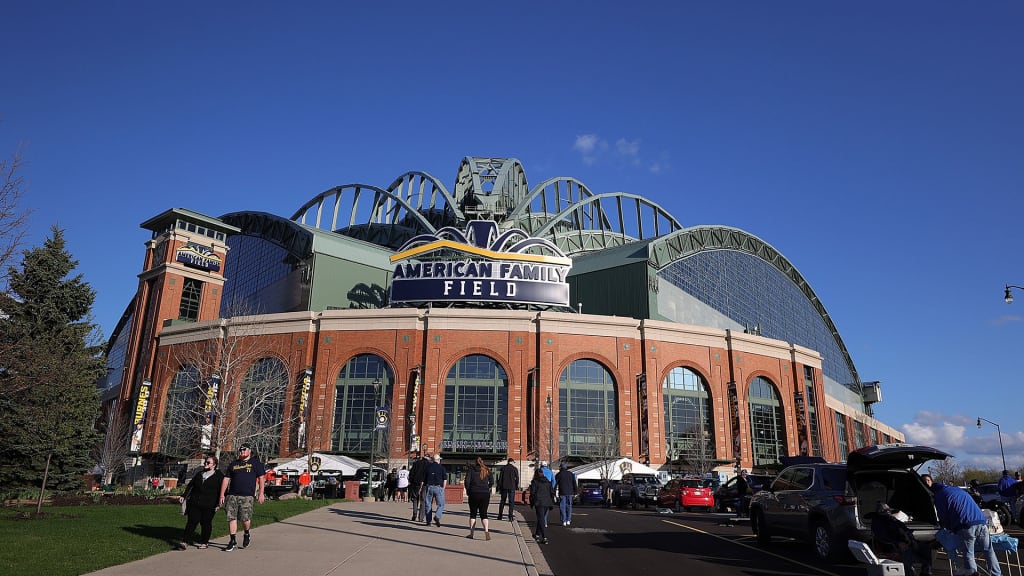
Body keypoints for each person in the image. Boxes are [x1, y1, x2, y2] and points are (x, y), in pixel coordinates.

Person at [931, 481, 1002, 576]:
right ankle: (996, 574)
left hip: (965, 525)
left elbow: (943, 515)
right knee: (988, 550)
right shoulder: (957, 489)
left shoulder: (939, 495)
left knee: (969, 553)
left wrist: (947, 527)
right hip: (981, 521)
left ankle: (972, 573)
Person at [219, 444, 266, 552]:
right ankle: (232, 541)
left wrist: (261, 493)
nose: (242, 451)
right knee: (231, 517)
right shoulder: (233, 464)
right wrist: (222, 495)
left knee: (245, 519)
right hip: (232, 495)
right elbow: (226, 479)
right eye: (240, 450)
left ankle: (246, 533)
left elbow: (261, 478)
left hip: (247, 496)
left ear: (249, 451)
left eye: (244, 449)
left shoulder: (256, 463)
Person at [870, 502, 933, 576]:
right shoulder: (879, 522)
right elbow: (883, 536)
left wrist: (911, 539)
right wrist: (897, 543)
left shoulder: (890, 519)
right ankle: (909, 572)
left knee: (926, 548)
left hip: (904, 541)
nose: (889, 512)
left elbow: (904, 528)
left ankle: (926, 572)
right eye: (886, 510)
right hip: (893, 546)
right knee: (908, 552)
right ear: (881, 512)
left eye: (889, 510)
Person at [177, 455, 224, 550]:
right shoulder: (200, 474)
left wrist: (219, 502)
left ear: (214, 465)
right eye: (205, 462)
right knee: (191, 522)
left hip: (210, 504)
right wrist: (184, 495)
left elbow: (223, 490)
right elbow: (191, 485)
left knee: (205, 523)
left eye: (208, 463)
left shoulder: (219, 476)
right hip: (195, 502)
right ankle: (185, 541)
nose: (205, 464)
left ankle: (204, 542)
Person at [464, 456, 494, 540]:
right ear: (482, 462)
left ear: (475, 462)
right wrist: (487, 487)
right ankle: (486, 531)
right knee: (484, 514)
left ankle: (471, 533)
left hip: (474, 492)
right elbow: (492, 481)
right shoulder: (486, 469)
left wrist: (468, 490)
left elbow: (467, 481)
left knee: (473, 514)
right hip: (485, 493)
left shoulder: (471, 469)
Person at [528, 467, 556, 544]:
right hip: (547, 502)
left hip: (539, 502)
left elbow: (532, 493)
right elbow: (552, 492)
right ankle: (537, 534)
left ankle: (544, 537)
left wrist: (532, 502)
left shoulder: (535, 482)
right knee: (541, 518)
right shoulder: (548, 482)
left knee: (541, 519)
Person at [422, 453, 446, 527]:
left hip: (429, 487)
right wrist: (443, 488)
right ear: (438, 460)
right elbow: (445, 479)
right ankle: (437, 516)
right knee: (441, 504)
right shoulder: (442, 468)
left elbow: (424, 479)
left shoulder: (428, 467)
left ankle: (428, 521)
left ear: (432, 460)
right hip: (438, 487)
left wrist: (422, 487)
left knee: (428, 504)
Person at [497, 457, 520, 522]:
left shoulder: (503, 468)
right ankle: (510, 517)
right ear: (512, 462)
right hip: (512, 487)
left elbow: (500, 478)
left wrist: (499, 486)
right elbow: (517, 478)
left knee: (502, 501)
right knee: (511, 502)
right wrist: (516, 485)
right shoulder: (514, 469)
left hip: (504, 487)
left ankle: (500, 515)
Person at [409, 451, 430, 521]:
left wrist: (411, 481)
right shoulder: (429, 465)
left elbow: (411, 473)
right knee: (423, 500)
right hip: (424, 484)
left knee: (415, 499)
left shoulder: (416, 463)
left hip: (415, 483)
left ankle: (414, 513)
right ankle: (421, 517)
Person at [555, 462, 577, 526]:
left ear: (561, 467)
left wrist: (553, 493)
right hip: (570, 492)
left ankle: (563, 520)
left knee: (562, 507)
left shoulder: (559, 474)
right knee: (569, 506)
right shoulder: (571, 474)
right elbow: (574, 484)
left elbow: (555, 484)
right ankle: (568, 520)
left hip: (562, 492)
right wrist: (575, 492)